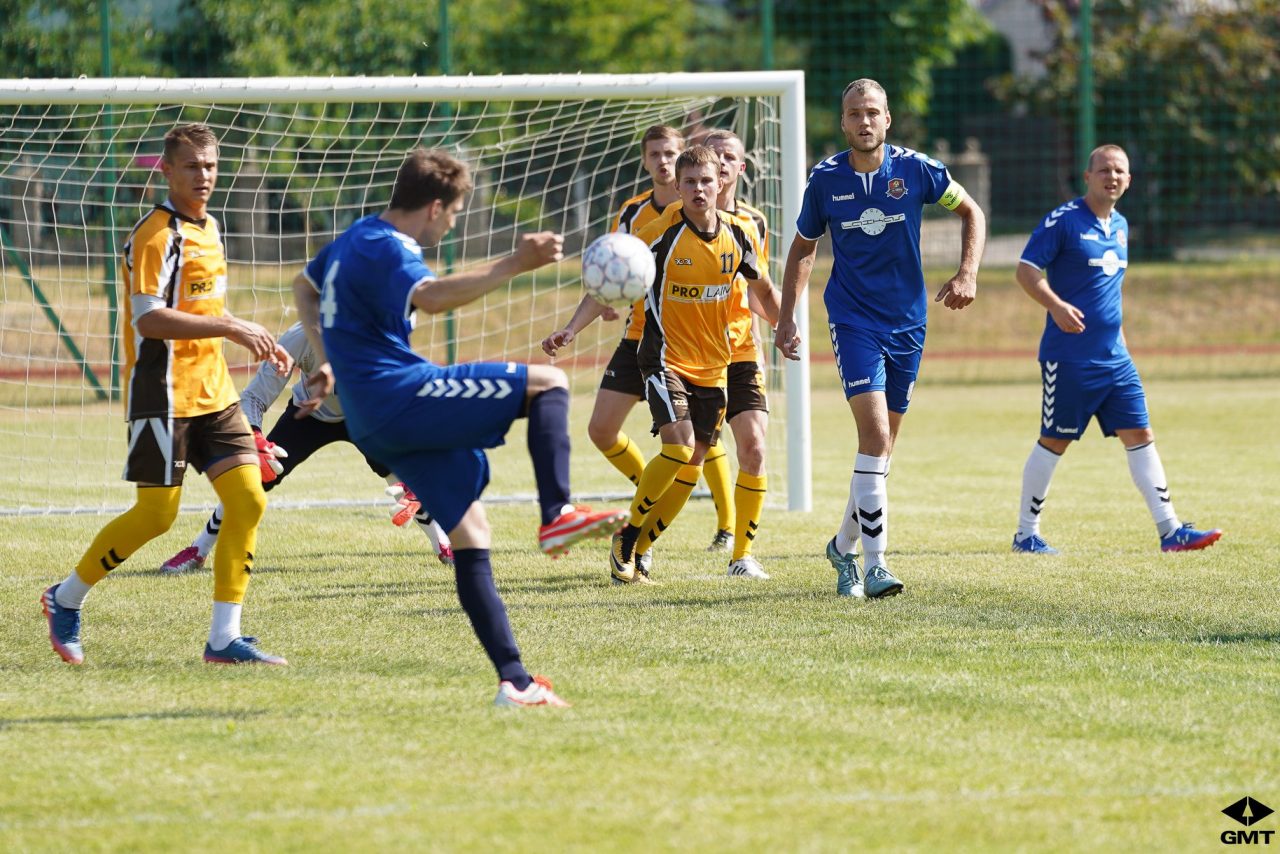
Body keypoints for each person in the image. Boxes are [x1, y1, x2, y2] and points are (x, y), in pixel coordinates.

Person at [294, 147, 626, 707]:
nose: (450, 225)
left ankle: (515, 683)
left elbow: (303, 287)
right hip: (400, 395)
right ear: (432, 206)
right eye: (453, 214)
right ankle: (559, 514)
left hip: (374, 421)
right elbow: (433, 297)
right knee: (549, 383)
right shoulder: (391, 248)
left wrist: (330, 361)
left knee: (472, 534)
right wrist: (515, 263)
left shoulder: (352, 240)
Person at [41, 122, 293, 666]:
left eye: (210, 165)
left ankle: (224, 638)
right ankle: (64, 598)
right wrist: (230, 329)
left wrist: (254, 336)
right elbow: (150, 319)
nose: (203, 175)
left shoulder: (212, 227)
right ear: (168, 169)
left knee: (248, 501)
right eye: (191, 166)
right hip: (163, 394)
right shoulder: (156, 235)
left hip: (216, 393)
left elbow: (203, 310)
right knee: (157, 517)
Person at [774, 78, 986, 599]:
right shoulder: (824, 180)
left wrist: (967, 274)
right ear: (842, 123)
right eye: (853, 113)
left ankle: (841, 548)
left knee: (883, 449)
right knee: (873, 438)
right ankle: (876, 565)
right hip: (853, 321)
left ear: (888, 119)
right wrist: (786, 317)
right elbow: (803, 249)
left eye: (872, 112)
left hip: (909, 322)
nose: (863, 121)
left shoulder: (917, 169)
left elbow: (971, 212)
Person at [1010, 144, 1222, 554]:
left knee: (1141, 434)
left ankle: (1170, 530)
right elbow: (1025, 270)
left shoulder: (1122, 226)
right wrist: (1055, 306)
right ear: (1086, 177)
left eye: (1119, 171)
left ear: (1129, 180)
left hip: (1115, 359)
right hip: (1068, 356)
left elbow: (1110, 294)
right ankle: (1025, 534)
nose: (1112, 176)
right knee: (1055, 440)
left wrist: (1121, 344)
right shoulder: (1064, 221)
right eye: (1103, 170)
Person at [158, 321, 454, 576]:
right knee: (257, 475)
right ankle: (199, 549)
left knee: (402, 480)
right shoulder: (300, 336)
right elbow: (254, 398)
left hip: (364, 417)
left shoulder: (383, 335)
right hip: (309, 413)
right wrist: (255, 436)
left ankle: (444, 544)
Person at [609, 145, 780, 584]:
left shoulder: (740, 232)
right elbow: (615, 274)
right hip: (665, 358)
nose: (699, 189)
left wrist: (787, 327)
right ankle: (628, 534)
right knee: (681, 448)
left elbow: (762, 288)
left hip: (717, 363)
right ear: (679, 188)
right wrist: (571, 328)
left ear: (721, 181)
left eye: (706, 181)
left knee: (694, 460)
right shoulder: (658, 234)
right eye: (690, 183)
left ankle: (641, 549)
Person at [542, 125, 684, 498]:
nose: (663, 161)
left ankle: (726, 527)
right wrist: (572, 328)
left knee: (692, 441)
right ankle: (650, 493)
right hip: (639, 336)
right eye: (655, 154)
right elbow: (613, 271)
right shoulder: (632, 213)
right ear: (644, 161)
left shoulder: (698, 211)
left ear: (682, 156)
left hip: (687, 342)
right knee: (601, 430)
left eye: (669, 153)